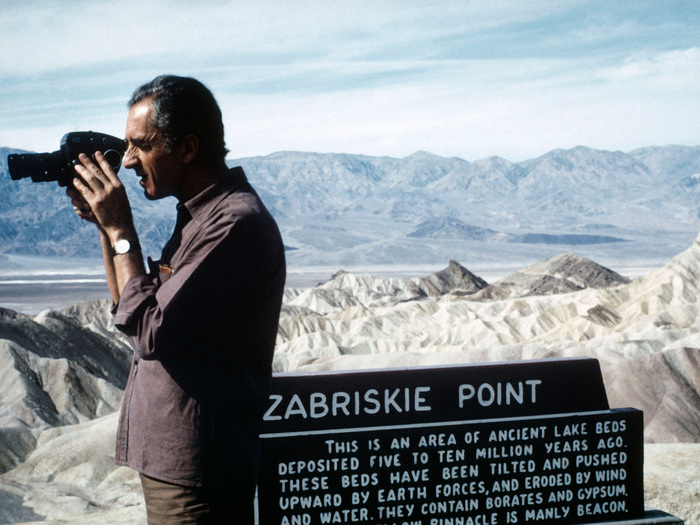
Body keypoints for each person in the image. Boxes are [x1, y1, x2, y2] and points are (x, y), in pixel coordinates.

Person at [67, 75, 286, 524]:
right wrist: (107, 232)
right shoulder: (198, 219)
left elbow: (151, 333)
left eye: (140, 145)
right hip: (178, 468)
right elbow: (134, 314)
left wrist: (123, 231)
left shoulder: (232, 225)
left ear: (187, 148)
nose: (126, 161)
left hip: (199, 474)